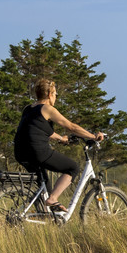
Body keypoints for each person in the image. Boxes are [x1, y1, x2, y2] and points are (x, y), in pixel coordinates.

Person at [13, 78, 104, 215]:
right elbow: (71, 127)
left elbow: (39, 130)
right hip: (38, 151)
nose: (56, 97)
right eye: (55, 94)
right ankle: (53, 199)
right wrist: (93, 136)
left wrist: (61, 138)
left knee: (45, 186)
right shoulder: (48, 109)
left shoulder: (28, 108)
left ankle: (44, 213)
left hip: (20, 152)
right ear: (49, 94)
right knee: (72, 168)